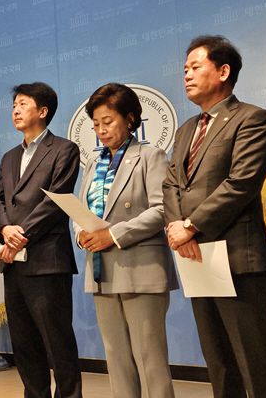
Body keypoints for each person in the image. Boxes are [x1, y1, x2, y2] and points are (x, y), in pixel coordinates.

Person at [163, 35, 266, 398]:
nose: (186, 75)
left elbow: (241, 183)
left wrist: (190, 226)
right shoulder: (186, 129)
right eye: (184, 69)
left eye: (195, 67)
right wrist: (176, 227)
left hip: (236, 257)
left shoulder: (252, 119)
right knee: (218, 360)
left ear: (223, 71)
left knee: (255, 361)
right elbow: (172, 184)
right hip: (196, 256)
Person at [76, 83, 177, 398]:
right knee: (116, 356)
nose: (101, 130)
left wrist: (112, 234)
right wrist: (81, 233)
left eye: (108, 121)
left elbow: (162, 209)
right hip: (101, 270)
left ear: (130, 118)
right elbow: (81, 210)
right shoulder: (93, 164)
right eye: (96, 124)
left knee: (149, 357)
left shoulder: (150, 156)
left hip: (140, 268)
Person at [0, 82, 82, 398]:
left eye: (23, 104)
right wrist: (5, 230)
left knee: (57, 342)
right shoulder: (9, 157)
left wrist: (22, 234)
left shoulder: (64, 149)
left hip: (47, 262)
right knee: (24, 343)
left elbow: (56, 200)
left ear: (43, 111)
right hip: (14, 263)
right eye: (14, 104)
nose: (15, 110)